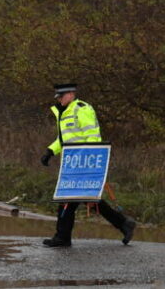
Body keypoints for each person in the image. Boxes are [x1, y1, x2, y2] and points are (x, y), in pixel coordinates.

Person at [40, 83, 136, 247]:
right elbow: (64, 139)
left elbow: (93, 137)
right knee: (85, 198)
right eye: (58, 96)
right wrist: (50, 151)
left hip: (83, 163)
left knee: (68, 198)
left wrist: (91, 165)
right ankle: (123, 223)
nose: (59, 99)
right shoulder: (63, 113)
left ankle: (62, 237)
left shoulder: (81, 109)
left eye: (61, 96)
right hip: (71, 164)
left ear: (71, 94)